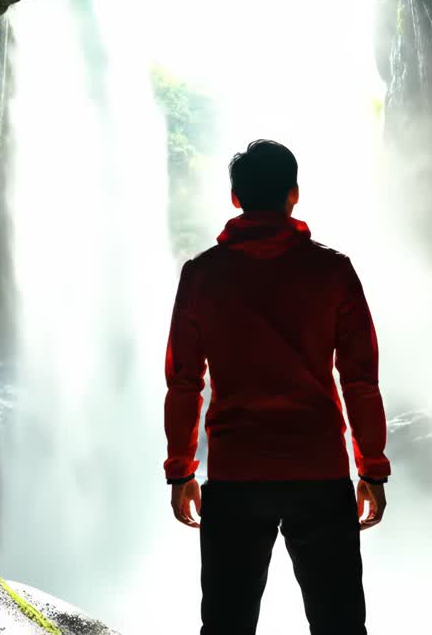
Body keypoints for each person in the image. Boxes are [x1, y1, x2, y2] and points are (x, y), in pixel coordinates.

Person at [163, 139, 390, 634]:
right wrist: (372, 466)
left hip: (235, 472)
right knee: (340, 626)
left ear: (235, 199)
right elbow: (359, 379)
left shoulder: (202, 276)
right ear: (294, 195)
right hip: (318, 470)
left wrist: (181, 470)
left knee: (226, 625)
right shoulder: (333, 271)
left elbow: (184, 381)